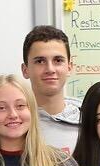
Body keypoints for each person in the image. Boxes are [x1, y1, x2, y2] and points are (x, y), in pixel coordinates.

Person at [20, 25, 80, 154]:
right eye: (40, 61)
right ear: (25, 70)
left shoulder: (90, 121)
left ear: (69, 67)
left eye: (58, 60)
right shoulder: (11, 123)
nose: (50, 69)